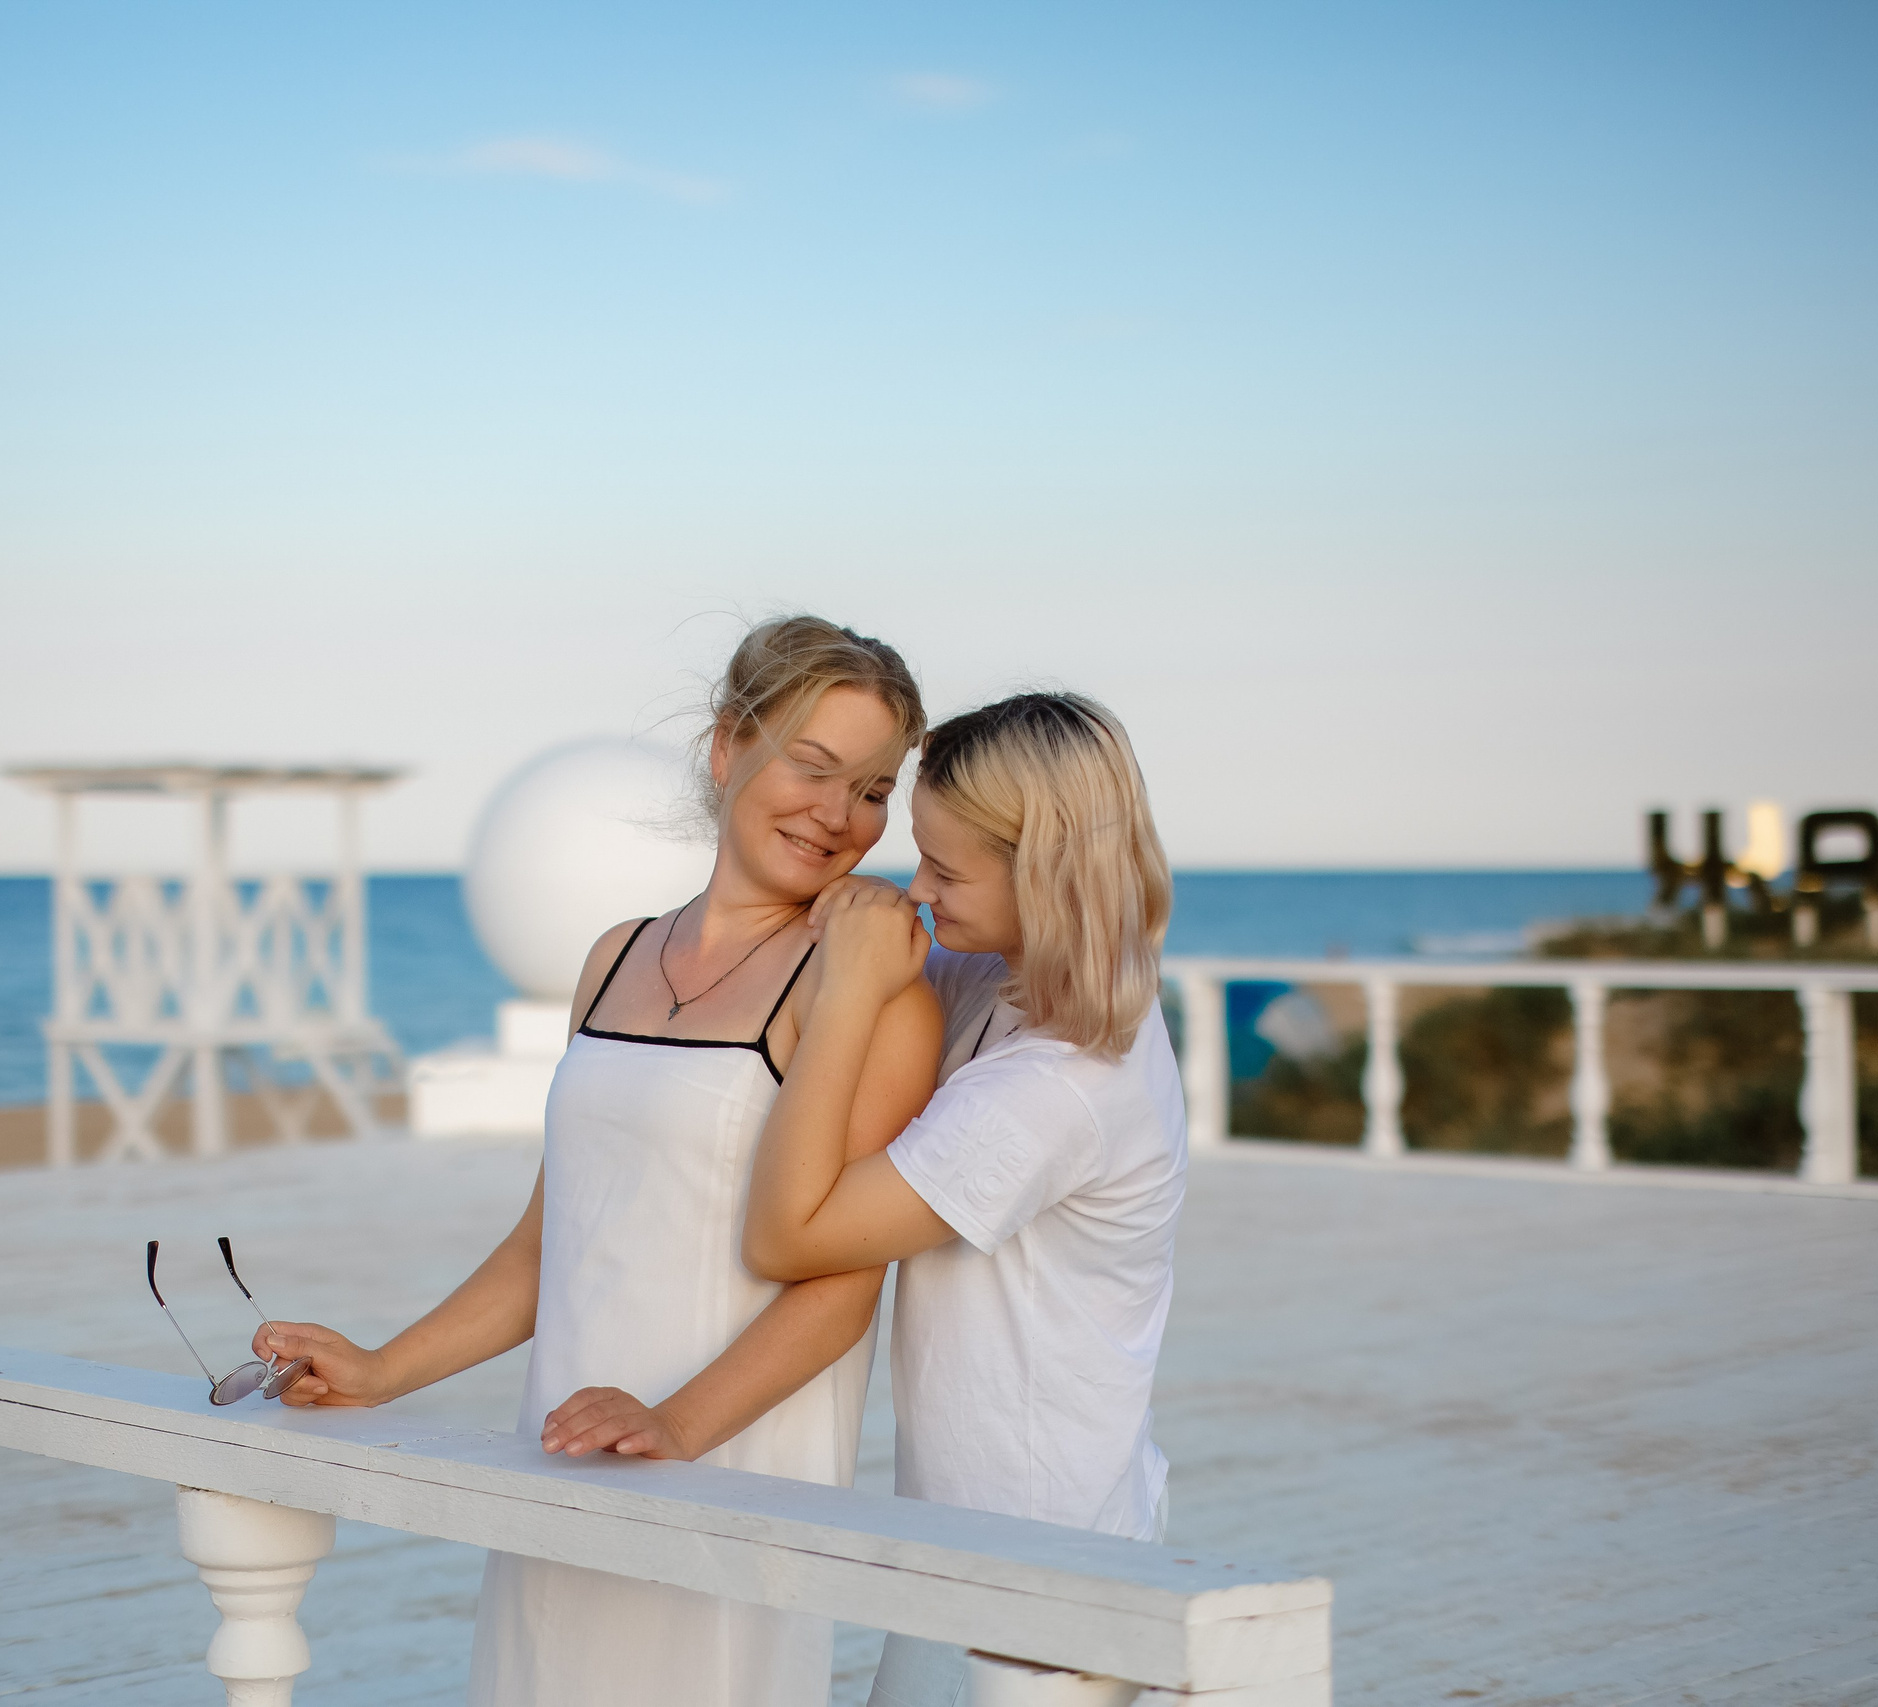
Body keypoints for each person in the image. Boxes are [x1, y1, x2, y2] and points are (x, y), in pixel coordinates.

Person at [251, 615, 943, 1707]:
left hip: (726, 1464)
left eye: (870, 789)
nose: (837, 815)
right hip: (566, 1452)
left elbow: (842, 1292)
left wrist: (674, 1428)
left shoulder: (867, 991)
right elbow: (549, 1244)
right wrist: (384, 1370)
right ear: (727, 747)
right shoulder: (613, 956)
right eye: (813, 767)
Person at [741, 691, 1186, 1707]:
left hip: (1042, 1585)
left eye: (944, 869)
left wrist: (852, 993)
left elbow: (787, 1235)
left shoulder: (1061, 1086)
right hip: (970, 1545)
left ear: (1046, 872)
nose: (918, 889)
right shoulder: (1009, 978)